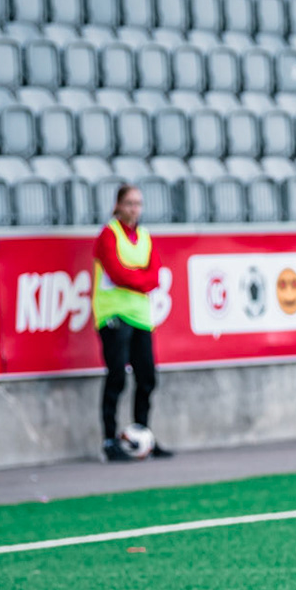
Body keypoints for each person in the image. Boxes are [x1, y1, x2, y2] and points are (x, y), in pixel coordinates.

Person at [94, 185, 171, 462]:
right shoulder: (108, 235)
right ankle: (109, 439)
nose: (134, 209)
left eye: (138, 203)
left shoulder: (145, 237)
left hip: (140, 316)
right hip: (113, 314)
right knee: (117, 375)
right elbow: (116, 272)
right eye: (129, 203)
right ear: (118, 205)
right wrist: (140, 280)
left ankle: (143, 434)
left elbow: (155, 275)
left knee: (147, 376)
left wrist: (136, 279)